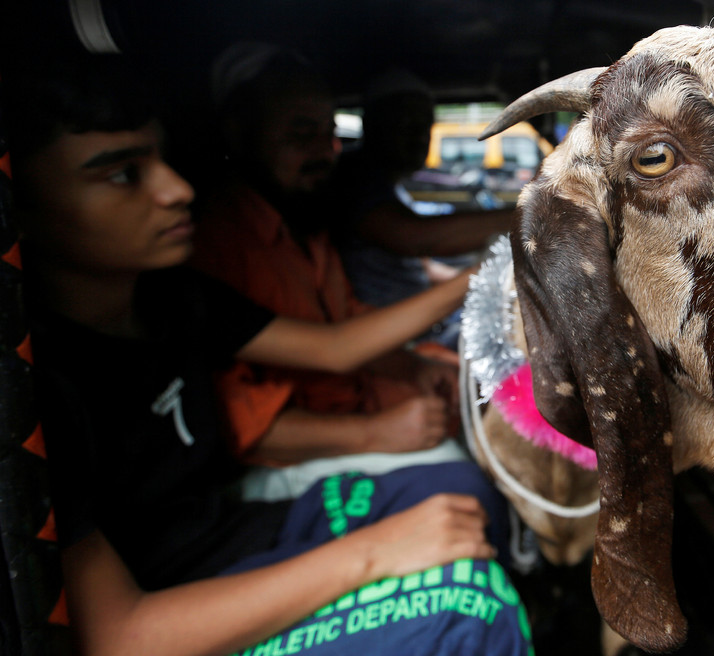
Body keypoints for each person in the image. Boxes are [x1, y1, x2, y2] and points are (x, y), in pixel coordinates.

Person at [8, 54, 531, 656]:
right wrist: (374, 552)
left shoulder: (176, 297)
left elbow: (336, 346)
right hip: (171, 602)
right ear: (20, 208)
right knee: (470, 610)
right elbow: (119, 636)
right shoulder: (32, 388)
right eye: (123, 174)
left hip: (226, 540)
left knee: (463, 487)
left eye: (161, 159)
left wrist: (483, 283)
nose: (177, 191)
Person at [190, 45, 472, 500]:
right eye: (302, 133)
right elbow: (240, 422)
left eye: (329, 131)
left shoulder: (303, 227)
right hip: (284, 462)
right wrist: (373, 434)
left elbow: (347, 325)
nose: (325, 151)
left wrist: (413, 366)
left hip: (355, 412)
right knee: (465, 482)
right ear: (239, 133)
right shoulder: (214, 246)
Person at [332, 67, 518, 347]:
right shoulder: (353, 180)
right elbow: (414, 238)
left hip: (421, 327)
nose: (419, 135)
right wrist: (527, 214)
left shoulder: (390, 188)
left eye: (425, 125)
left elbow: (422, 265)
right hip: (389, 339)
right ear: (372, 125)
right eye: (406, 125)